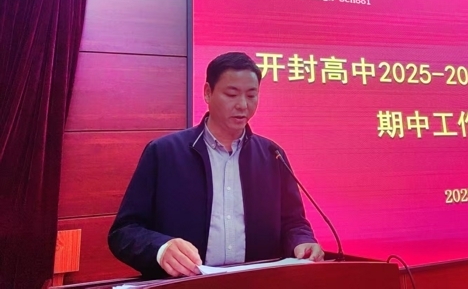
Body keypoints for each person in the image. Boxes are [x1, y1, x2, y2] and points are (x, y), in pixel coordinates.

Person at [108, 52, 324, 278]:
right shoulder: (164, 153)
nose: (243, 105)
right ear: (207, 93)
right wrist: (161, 249)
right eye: (231, 94)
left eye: (251, 95)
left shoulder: (272, 155)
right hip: (186, 284)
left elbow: (293, 223)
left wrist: (302, 241)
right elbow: (124, 232)